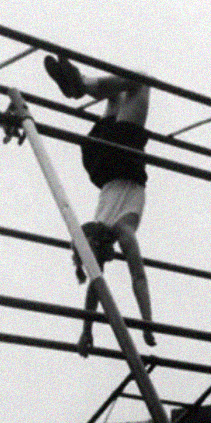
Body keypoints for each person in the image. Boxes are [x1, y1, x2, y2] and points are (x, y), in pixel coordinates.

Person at [44, 55, 157, 355]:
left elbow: (138, 278)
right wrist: (85, 330)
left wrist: (148, 322)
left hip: (121, 157)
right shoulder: (104, 223)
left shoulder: (124, 231)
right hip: (97, 159)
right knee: (118, 90)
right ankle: (82, 84)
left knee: (140, 80)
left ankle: (79, 85)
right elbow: (95, 282)